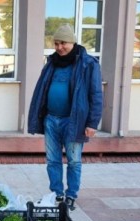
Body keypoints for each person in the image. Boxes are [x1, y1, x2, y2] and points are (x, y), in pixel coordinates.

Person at [27, 24, 103, 210]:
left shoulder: (88, 64)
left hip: (74, 121)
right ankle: (56, 193)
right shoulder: (51, 63)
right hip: (51, 120)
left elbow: (96, 95)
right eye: (56, 43)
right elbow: (41, 91)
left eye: (64, 43)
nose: (60, 47)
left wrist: (92, 123)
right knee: (52, 160)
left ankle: (71, 195)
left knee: (74, 161)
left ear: (73, 42)